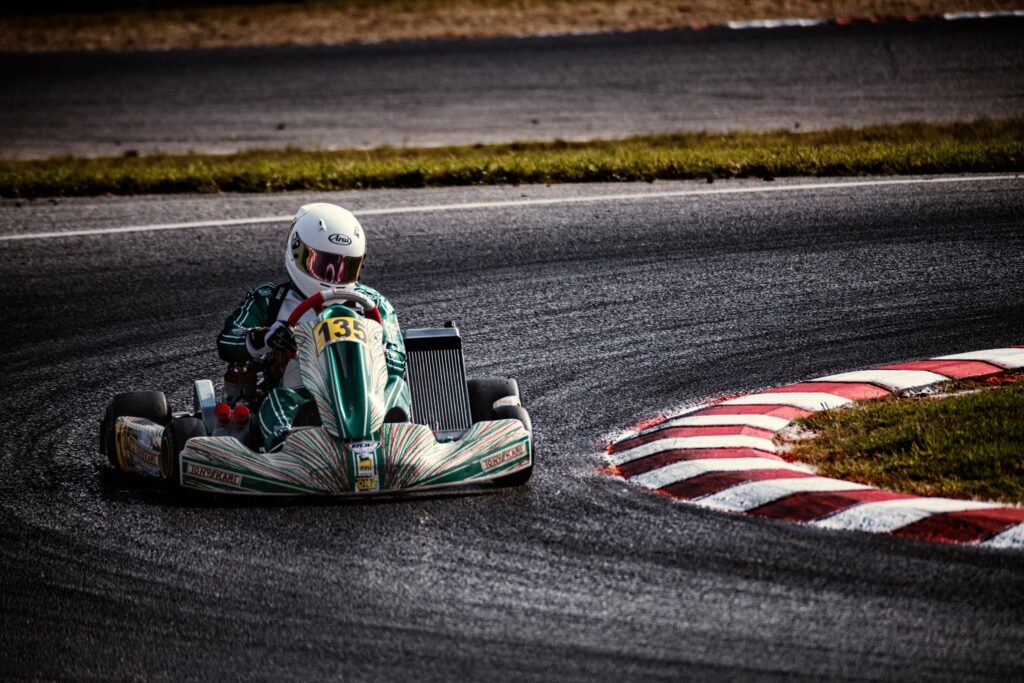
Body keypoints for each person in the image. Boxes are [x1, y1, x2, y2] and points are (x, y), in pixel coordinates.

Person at [216, 202, 410, 447]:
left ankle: (397, 439)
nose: (334, 278)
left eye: (344, 268)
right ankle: (287, 449)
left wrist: (373, 345)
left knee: (396, 386)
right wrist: (264, 338)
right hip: (302, 396)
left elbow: (397, 359)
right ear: (297, 251)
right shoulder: (270, 300)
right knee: (279, 399)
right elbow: (227, 340)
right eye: (324, 266)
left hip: (366, 397)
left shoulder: (372, 303)